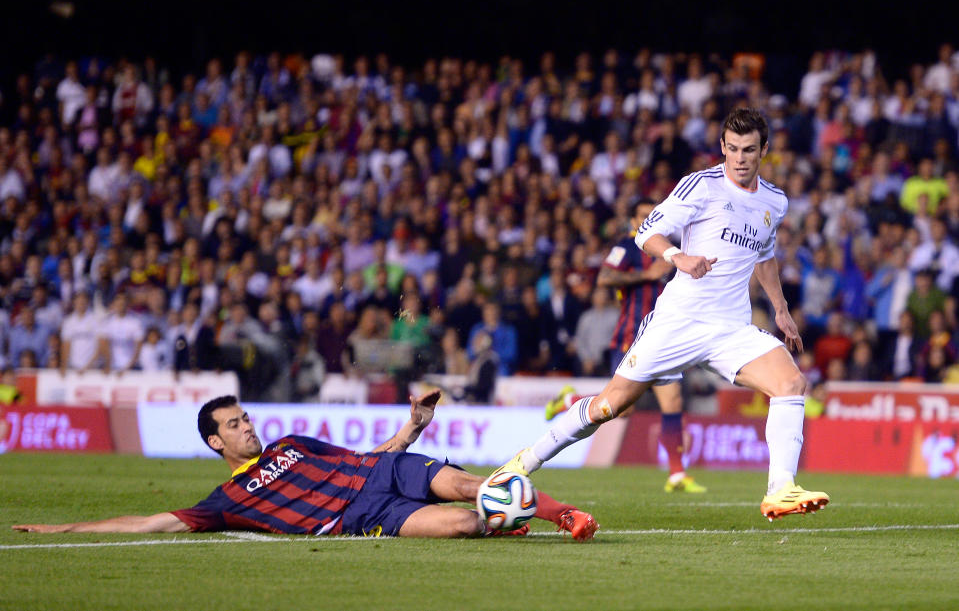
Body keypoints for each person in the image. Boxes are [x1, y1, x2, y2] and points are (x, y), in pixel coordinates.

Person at [494, 108, 829, 522]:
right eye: (733, 149)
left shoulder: (774, 201)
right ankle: (523, 462)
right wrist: (678, 257)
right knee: (608, 407)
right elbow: (645, 231)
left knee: (791, 382)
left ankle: (780, 488)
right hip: (678, 322)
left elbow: (765, 255)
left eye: (749, 150)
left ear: (764, 151)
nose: (740, 158)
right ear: (722, 147)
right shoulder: (701, 186)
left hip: (731, 328)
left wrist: (781, 308)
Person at [13, 391, 598, 540]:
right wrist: (63, 528)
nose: (247, 425)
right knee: (465, 523)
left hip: (380, 475)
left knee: (470, 483)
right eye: (234, 424)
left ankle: (564, 514)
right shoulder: (226, 502)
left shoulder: (291, 442)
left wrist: (412, 426)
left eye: (245, 416)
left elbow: (371, 456)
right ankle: (504, 520)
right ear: (216, 443)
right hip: (361, 517)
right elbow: (148, 524)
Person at [544, 199, 706, 493]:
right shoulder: (627, 248)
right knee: (619, 409)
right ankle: (569, 401)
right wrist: (645, 275)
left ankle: (677, 475)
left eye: (652, 215)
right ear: (633, 221)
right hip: (631, 337)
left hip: (665, 337)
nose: (648, 220)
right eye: (643, 216)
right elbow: (604, 278)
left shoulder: (671, 251)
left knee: (673, 403)